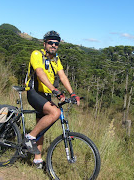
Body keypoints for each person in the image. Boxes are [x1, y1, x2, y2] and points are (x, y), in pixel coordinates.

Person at [24, 30, 80, 168]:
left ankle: (37, 160)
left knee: (41, 127)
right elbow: (40, 73)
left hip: (46, 95)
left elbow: (62, 76)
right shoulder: (37, 54)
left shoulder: (56, 59)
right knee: (55, 113)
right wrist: (55, 90)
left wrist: (72, 93)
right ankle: (29, 138)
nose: (53, 45)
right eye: (50, 42)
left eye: (56, 43)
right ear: (45, 44)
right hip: (34, 92)